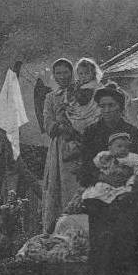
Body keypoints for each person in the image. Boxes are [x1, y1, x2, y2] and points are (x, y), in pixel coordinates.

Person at [79, 83, 138, 275]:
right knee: (96, 204)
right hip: (100, 183)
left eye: (111, 105)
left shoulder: (131, 132)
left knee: (124, 209)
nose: (106, 110)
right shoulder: (91, 132)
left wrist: (127, 181)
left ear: (120, 107)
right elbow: (86, 165)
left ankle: (123, 267)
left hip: (125, 185)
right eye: (103, 106)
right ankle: (100, 268)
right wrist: (101, 176)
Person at [41, 58, 82, 234]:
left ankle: (79, 229)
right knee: (57, 187)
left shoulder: (81, 93)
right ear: (54, 76)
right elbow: (47, 123)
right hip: (59, 147)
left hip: (78, 144)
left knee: (76, 184)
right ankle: (57, 231)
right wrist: (59, 123)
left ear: (71, 73)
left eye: (66, 72)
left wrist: (74, 124)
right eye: (58, 73)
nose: (62, 76)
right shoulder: (51, 97)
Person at [81, 132, 138, 204]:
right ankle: (96, 200)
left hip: (124, 181)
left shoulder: (132, 157)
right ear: (110, 148)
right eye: (119, 146)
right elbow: (97, 164)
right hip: (107, 180)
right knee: (99, 188)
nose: (123, 149)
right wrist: (101, 160)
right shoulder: (105, 155)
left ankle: (120, 198)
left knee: (130, 184)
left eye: (127, 147)